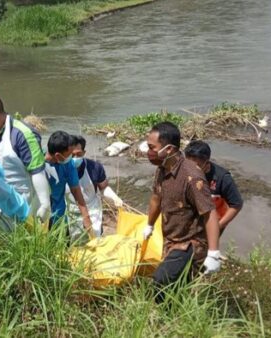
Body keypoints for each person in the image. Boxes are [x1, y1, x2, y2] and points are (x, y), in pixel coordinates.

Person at [142, 122, 221, 301]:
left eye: (152, 147)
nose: (149, 152)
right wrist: (149, 225)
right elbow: (156, 196)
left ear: (169, 149)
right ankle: (177, 314)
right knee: (179, 285)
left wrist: (214, 253)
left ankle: (163, 316)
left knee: (160, 281)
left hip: (189, 243)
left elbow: (209, 213)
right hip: (171, 238)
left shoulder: (192, 176)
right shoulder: (162, 169)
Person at [0, 92, 51, 229]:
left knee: (28, 240)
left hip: (26, 201)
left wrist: (45, 203)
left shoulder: (23, 135)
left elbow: (37, 171)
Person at [65, 135, 123, 239]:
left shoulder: (95, 167)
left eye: (79, 154)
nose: (75, 158)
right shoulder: (62, 168)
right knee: (74, 240)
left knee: (95, 237)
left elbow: (104, 187)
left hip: (92, 208)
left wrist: (114, 197)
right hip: (71, 210)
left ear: (84, 153)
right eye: (72, 155)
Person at [184, 140, 243, 235]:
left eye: (196, 166)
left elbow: (236, 205)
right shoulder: (185, 171)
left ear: (206, 163)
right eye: (188, 165)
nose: (191, 169)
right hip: (194, 219)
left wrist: (218, 226)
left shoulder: (222, 178)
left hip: (215, 220)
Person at [44, 131, 93, 240]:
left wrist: (86, 217)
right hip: (39, 217)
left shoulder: (68, 164)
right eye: (69, 154)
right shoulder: (37, 163)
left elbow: (76, 190)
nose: (71, 156)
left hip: (59, 218)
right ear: (58, 155)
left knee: (64, 250)